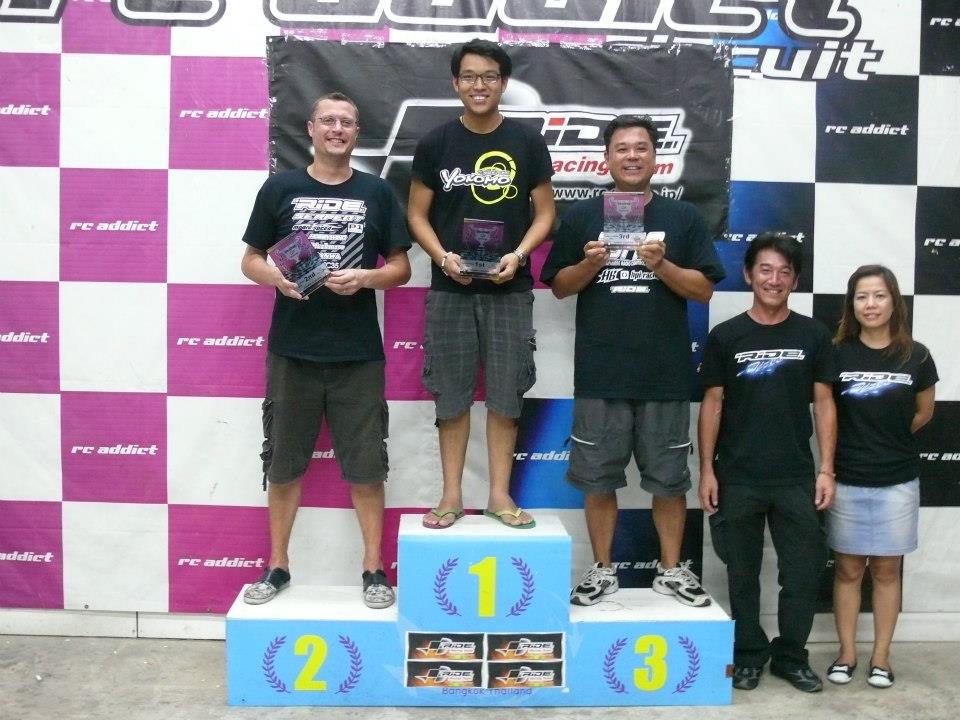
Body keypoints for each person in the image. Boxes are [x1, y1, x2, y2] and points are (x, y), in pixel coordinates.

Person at [541, 114, 724, 608]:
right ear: (607, 158)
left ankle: (671, 570)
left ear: (655, 157)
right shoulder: (583, 215)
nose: (632, 156)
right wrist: (590, 263)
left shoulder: (682, 217)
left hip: (664, 374)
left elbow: (704, 290)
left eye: (641, 147)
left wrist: (661, 264)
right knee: (597, 480)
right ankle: (603, 570)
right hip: (601, 373)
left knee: (670, 481)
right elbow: (559, 286)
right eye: (622, 148)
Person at [239, 93, 412, 608]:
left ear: (357, 133)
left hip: (358, 354)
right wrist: (277, 279)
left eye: (347, 122)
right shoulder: (280, 188)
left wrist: (366, 278)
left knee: (367, 467)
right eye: (328, 121)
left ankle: (374, 569)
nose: (337, 129)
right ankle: (277, 566)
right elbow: (250, 259)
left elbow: (401, 268)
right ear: (311, 128)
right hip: (292, 350)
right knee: (283, 464)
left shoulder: (377, 192)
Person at [407, 39, 555, 530]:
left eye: (489, 76)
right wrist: (442, 257)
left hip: (509, 289)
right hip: (450, 289)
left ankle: (499, 495)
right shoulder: (436, 143)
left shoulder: (527, 141)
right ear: (456, 83)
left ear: (503, 82)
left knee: (506, 397)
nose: (479, 85)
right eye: (469, 76)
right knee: (451, 396)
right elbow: (416, 215)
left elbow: (545, 214)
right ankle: (451, 496)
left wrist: (518, 255)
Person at [697, 232, 836, 693]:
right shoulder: (726, 336)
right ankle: (749, 655)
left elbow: (825, 404)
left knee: (801, 575)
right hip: (737, 477)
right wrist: (707, 469)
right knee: (742, 576)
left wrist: (827, 468)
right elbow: (712, 403)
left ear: (794, 280)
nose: (774, 279)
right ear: (748, 274)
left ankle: (791, 657)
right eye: (765, 269)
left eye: (784, 272)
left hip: (796, 477)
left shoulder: (814, 335)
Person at [825, 265, 937, 689]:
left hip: (897, 481)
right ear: (851, 304)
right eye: (861, 296)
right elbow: (826, 412)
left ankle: (881, 658)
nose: (870, 304)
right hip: (846, 479)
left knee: (888, 571)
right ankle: (847, 654)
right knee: (848, 570)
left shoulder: (917, 356)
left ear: (894, 302)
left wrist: (887, 439)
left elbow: (924, 413)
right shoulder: (837, 353)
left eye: (879, 295)